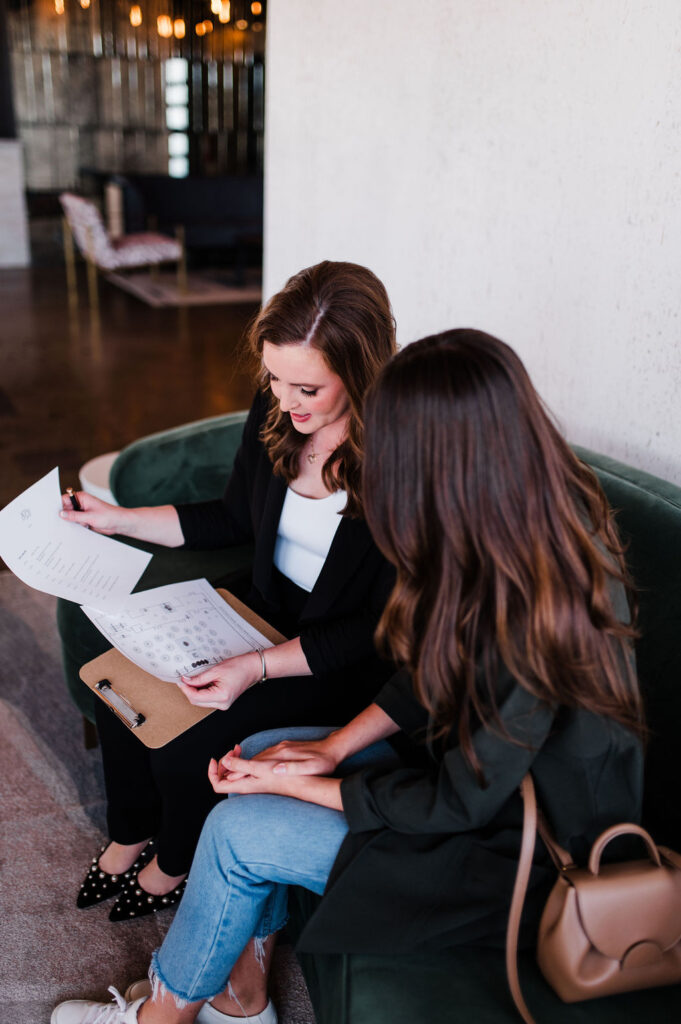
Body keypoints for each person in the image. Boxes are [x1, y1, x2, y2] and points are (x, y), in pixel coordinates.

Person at [52, 329, 644, 1024]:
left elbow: (459, 806)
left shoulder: (537, 607)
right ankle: (240, 1000)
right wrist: (327, 751)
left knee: (238, 830)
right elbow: (427, 674)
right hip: (444, 768)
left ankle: (163, 1015)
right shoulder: (496, 534)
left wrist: (311, 783)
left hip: (512, 852)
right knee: (252, 755)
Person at [60, 261, 398, 920]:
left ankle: (175, 863)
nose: (283, 399)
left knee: (191, 737)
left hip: (341, 651)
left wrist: (255, 667)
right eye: (272, 377)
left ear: (359, 374)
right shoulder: (277, 409)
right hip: (264, 606)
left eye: (306, 387)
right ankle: (130, 834)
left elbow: (377, 630)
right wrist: (115, 519)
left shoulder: (401, 458)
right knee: (115, 677)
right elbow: (234, 516)